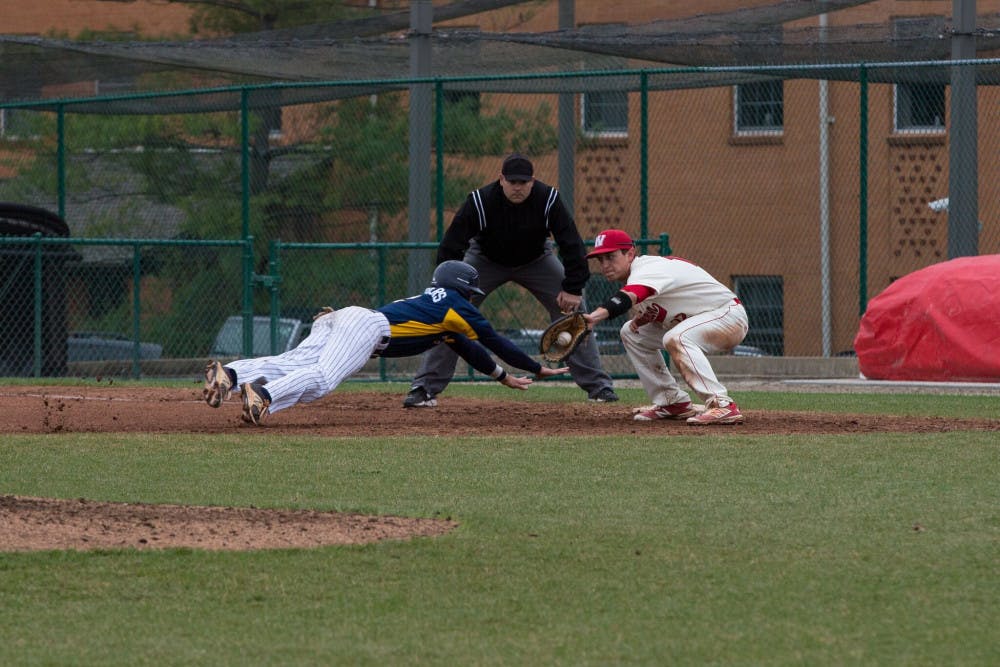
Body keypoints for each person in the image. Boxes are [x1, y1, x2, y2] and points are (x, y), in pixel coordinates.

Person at [203, 261, 569, 425]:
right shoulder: (455, 305)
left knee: (292, 362)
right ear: (461, 290)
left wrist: (503, 377)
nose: (472, 299)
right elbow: (492, 339)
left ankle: (231, 376)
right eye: (470, 292)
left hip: (345, 318)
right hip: (367, 326)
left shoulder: (436, 307)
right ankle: (264, 397)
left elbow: (467, 347)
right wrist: (536, 367)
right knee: (324, 377)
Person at [403, 153, 618, 408]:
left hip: (537, 260)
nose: (518, 187)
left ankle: (599, 387)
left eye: (523, 182)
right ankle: (424, 388)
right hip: (484, 260)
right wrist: (448, 288)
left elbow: (570, 243)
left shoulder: (547, 199)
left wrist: (572, 287)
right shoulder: (481, 200)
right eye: (512, 181)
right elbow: (451, 246)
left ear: (533, 181)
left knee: (574, 316)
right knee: (450, 314)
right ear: (501, 179)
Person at [581, 229, 749, 425]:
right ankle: (671, 402)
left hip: (728, 315)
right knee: (631, 332)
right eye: (601, 260)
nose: (605, 265)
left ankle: (722, 405)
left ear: (630, 254)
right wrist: (643, 319)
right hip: (703, 318)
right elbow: (667, 303)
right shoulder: (637, 275)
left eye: (611, 256)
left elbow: (629, 296)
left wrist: (594, 317)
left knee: (677, 338)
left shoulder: (646, 269)